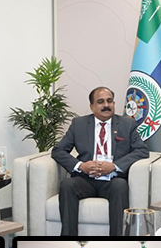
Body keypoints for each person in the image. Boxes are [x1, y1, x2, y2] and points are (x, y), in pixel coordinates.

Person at [52, 87, 149, 236]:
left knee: (120, 185)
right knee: (67, 185)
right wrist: (81, 166)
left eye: (109, 101)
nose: (106, 105)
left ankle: (117, 243)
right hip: (85, 180)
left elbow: (142, 150)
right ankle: (68, 240)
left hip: (112, 180)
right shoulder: (79, 124)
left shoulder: (126, 124)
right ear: (92, 106)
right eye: (101, 102)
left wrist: (114, 166)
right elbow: (58, 150)